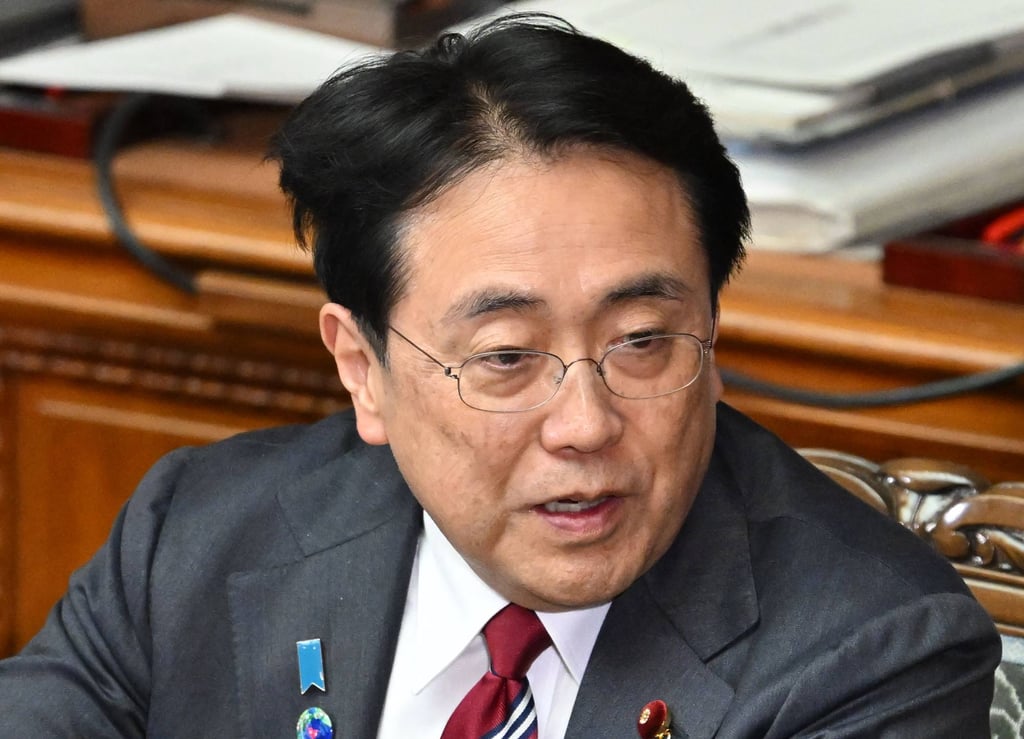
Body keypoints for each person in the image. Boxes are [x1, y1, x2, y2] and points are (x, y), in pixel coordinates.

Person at [0, 13, 1000, 739]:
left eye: (643, 341)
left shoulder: (869, 657)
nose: (584, 423)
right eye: (507, 358)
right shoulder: (199, 535)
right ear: (364, 369)